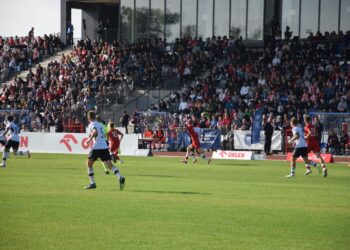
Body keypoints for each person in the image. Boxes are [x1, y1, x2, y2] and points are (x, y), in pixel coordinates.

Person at [84, 111, 125, 190]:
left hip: (96, 147)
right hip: (104, 147)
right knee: (110, 166)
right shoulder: (99, 124)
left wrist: (89, 140)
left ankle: (92, 183)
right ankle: (120, 176)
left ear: (88, 117)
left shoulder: (92, 124)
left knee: (88, 165)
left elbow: (95, 131)